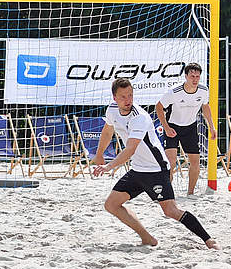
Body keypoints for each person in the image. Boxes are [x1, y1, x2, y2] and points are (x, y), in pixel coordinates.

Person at [93, 77, 219, 249]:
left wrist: (108, 166)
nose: (128, 100)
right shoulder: (112, 110)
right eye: (123, 97)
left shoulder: (140, 117)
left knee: (170, 211)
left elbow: (130, 149)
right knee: (111, 205)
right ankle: (147, 238)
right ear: (114, 98)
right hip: (137, 170)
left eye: (130, 95)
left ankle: (208, 239)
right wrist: (99, 154)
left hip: (155, 169)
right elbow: (107, 131)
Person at [154, 63, 218, 195]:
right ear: (186, 76)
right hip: (173, 127)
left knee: (195, 161)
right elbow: (159, 107)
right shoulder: (175, 92)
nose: (195, 79)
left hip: (190, 127)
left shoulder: (203, 90)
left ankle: (190, 193)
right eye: (192, 76)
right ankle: (167, 192)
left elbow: (205, 107)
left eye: (197, 76)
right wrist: (166, 128)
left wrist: (212, 127)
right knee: (170, 162)